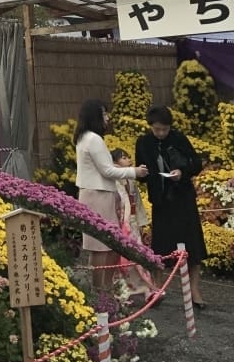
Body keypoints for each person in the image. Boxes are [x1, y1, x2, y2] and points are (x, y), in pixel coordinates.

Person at [135, 104, 207, 310]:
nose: (160, 133)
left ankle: (194, 290)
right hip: (161, 201)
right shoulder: (143, 142)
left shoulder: (178, 138)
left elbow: (196, 163)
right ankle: (157, 289)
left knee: (192, 244)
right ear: (150, 126)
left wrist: (182, 172)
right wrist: (142, 173)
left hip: (183, 198)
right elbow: (142, 171)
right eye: (156, 129)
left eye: (164, 129)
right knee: (161, 246)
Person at [74, 99, 148, 291]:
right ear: (95, 117)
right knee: (102, 246)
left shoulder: (83, 138)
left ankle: (103, 289)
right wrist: (134, 172)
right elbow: (107, 170)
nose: (107, 118)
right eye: (104, 114)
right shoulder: (94, 139)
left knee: (107, 244)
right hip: (98, 195)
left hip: (94, 194)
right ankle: (101, 290)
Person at [111, 147, 162, 302]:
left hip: (132, 223)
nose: (128, 160)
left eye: (128, 157)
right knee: (120, 260)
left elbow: (137, 202)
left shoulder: (131, 178)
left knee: (138, 256)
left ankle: (147, 289)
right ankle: (121, 294)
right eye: (124, 157)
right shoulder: (112, 179)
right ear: (114, 162)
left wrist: (141, 222)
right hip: (119, 224)